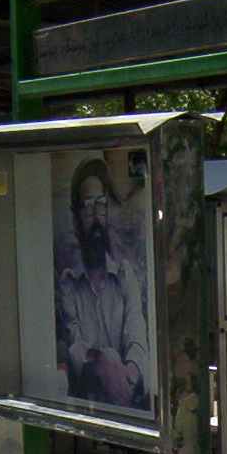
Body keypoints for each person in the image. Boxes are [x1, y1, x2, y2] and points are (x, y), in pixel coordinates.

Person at [56, 158, 149, 411]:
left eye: (101, 204)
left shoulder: (125, 276)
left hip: (129, 399)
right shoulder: (68, 284)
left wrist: (127, 378)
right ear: (76, 221)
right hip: (89, 407)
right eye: (88, 206)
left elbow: (137, 338)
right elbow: (74, 345)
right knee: (109, 356)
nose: (97, 215)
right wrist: (102, 364)